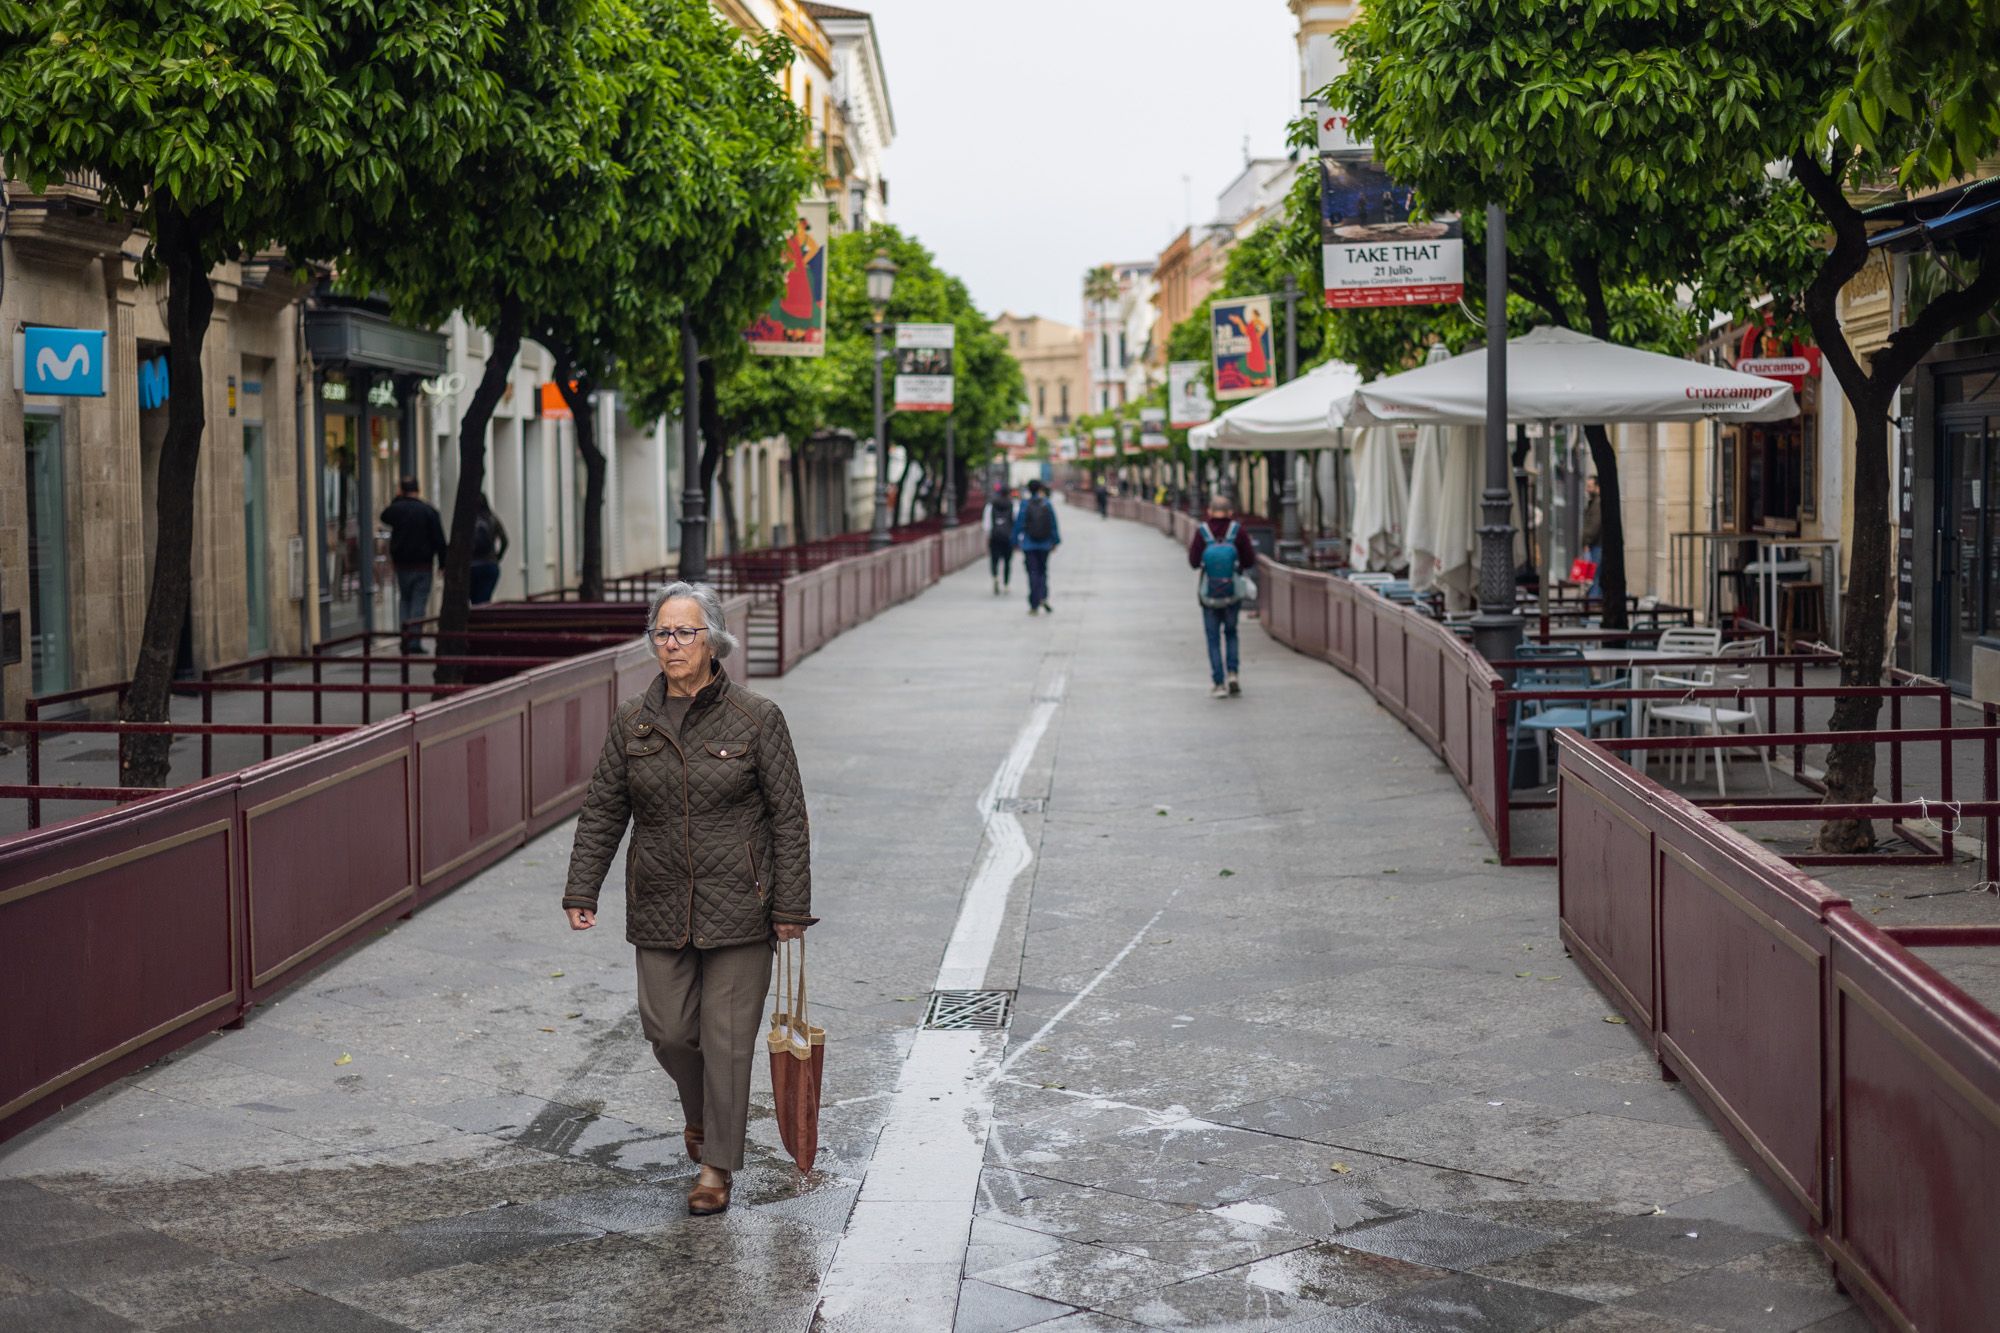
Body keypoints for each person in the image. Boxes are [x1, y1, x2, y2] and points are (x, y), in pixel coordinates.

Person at [562, 581, 814, 1217]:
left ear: (714, 640)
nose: (670, 645)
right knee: (669, 1031)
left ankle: (715, 1166)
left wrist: (789, 907)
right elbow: (603, 811)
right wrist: (581, 887)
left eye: (684, 633)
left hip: (742, 904)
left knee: (727, 1040)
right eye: (661, 634)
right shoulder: (633, 721)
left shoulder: (758, 719)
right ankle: (704, 1117)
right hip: (660, 901)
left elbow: (789, 817)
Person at [1188, 492, 1258, 697]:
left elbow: (1193, 562)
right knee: (1231, 633)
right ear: (1230, 512)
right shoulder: (1238, 531)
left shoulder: (1203, 532)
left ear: (1209, 512)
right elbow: (1249, 560)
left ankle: (1218, 684)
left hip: (1209, 594)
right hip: (1232, 593)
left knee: (1212, 638)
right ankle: (1233, 673)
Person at [380, 476, 446, 654]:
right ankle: (413, 641)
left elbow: (385, 515)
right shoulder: (428, 511)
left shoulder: (398, 510)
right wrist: (442, 562)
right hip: (423, 565)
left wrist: (398, 499)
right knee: (418, 603)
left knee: (405, 601)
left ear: (401, 490)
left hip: (402, 564)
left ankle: (405, 637)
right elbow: (439, 539)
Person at [1013, 479, 1061, 615]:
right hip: (1045, 544)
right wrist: (1055, 541)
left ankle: (1034, 604)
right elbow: (1053, 524)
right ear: (1040, 489)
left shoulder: (1024, 504)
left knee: (1032, 573)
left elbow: (1019, 524)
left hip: (1029, 544)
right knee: (1043, 571)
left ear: (1029, 490)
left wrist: (1015, 542)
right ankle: (1043, 597)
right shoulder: (1047, 503)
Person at [470, 494, 509, 605]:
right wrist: (497, 557)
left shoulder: (467, 521)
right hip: (489, 565)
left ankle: (475, 619)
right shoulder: (493, 519)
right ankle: (482, 620)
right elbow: (505, 541)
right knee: (484, 601)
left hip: (470, 566)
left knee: (474, 601)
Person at [987, 487, 1016, 595]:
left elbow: (987, 524)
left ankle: (995, 577)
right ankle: (1006, 584)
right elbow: (1015, 522)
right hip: (1008, 537)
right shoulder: (1013, 504)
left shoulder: (991, 505)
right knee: (1007, 562)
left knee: (994, 560)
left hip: (995, 536)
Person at [1580, 474, 1603, 599]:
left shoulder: (1598, 503)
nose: (1587, 489)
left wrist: (1587, 542)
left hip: (1596, 545)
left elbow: (1594, 525)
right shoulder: (1594, 502)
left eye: (1590, 486)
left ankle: (1593, 603)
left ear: (1597, 487)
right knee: (1594, 576)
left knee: (1594, 576)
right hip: (1594, 545)